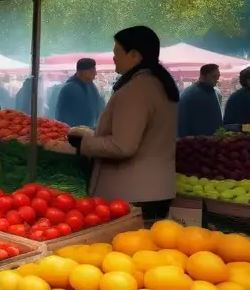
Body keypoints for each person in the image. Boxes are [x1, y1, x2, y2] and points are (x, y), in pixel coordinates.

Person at [68, 26, 179, 223]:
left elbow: (123, 145)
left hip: (134, 194)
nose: (113, 58)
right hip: (156, 189)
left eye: (116, 53)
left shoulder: (136, 90)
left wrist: (82, 144)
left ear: (135, 55)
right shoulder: (158, 84)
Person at [55, 58, 105, 129]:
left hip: (88, 131)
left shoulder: (91, 85)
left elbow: (98, 106)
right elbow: (61, 115)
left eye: (94, 70)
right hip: (73, 133)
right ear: (80, 72)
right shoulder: (69, 88)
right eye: (91, 71)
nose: (95, 73)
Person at [177, 63, 223, 137]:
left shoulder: (216, 93)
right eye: (214, 76)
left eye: (218, 76)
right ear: (203, 77)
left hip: (214, 139)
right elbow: (181, 122)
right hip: (194, 142)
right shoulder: (188, 95)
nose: (217, 79)